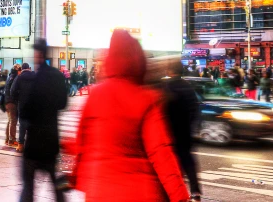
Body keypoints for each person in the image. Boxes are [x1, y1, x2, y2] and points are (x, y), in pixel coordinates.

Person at [73, 30, 189, 202]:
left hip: (99, 192)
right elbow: (160, 152)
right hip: (140, 193)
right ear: (138, 61)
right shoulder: (145, 99)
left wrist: (76, 177)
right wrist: (179, 196)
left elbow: (82, 145)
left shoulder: (95, 96)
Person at [16, 39, 68, 202]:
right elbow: (63, 103)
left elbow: (26, 110)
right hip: (51, 139)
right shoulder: (57, 76)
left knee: (28, 185)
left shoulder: (34, 79)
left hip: (35, 141)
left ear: (38, 54)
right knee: (56, 185)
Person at [162, 61, 201, 201]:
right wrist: (194, 127)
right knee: (188, 161)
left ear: (169, 70)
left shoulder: (166, 87)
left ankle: (176, 192)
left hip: (171, 131)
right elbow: (195, 109)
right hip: (186, 130)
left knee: (173, 164)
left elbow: (162, 110)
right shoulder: (188, 87)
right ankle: (195, 191)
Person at [11, 62, 34, 152]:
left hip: (23, 104)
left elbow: (12, 91)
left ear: (23, 69)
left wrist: (18, 99)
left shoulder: (19, 78)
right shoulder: (35, 77)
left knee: (22, 125)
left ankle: (21, 145)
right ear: (29, 68)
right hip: (33, 104)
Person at [4, 65, 20, 147]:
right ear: (17, 69)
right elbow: (13, 90)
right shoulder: (15, 77)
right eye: (19, 69)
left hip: (7, 101)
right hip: (12, 102)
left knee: (10, 120)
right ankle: (12, 140)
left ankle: (7, 139)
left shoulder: (9, 76)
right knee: (13, 121)